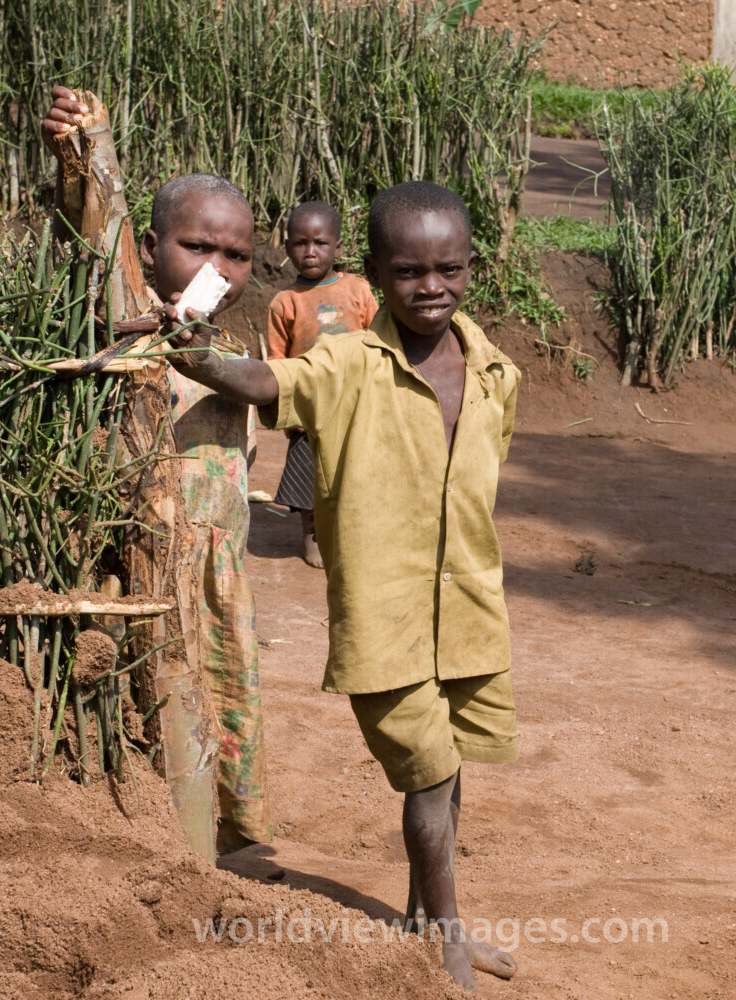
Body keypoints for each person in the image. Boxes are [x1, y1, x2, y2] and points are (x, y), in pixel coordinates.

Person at [162, 180, 520, 991]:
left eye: (449, 269)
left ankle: (425, 921)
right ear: (375, 275)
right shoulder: (348, 362)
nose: (431, 287)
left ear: (471, 267)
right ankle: (448, 940)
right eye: (409, 271)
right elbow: (270, 383)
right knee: (427, 773)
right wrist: (197, 355)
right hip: (384, 615)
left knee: (450, 765)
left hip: (467, 607)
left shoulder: (496, 372)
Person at [41, 86, 271, 853]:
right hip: (133, 566)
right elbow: (89, 246)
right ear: (148, 248)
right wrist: (78, 161)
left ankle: (214, 845)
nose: (219, 268)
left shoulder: (233, 355)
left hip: (212, 574)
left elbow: (262, 397)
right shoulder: (115, 330)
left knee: (214, 704)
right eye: (197, 248)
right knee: (133, 703)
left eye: (237, 255)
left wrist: (193, 345)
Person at [266, 201, 378, 568]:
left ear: (338, 247)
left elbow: (378, 339)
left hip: (357, 401)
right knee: (308, 474)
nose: (310, 251)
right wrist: (289, 407)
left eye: (320, 243)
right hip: (310, 406)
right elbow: (278, 360)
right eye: (300, 243)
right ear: (287, 247)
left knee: (357, 470)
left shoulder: (357, 289)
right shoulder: (284, 302)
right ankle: (312, 534)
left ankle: (352, 535)